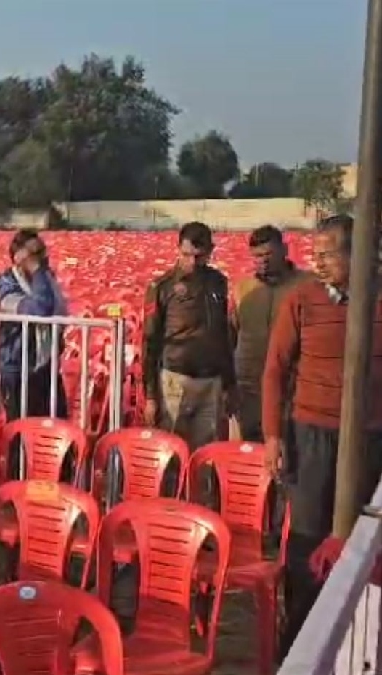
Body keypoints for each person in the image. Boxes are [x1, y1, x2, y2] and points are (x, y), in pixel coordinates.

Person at [262, 214, 382, 656]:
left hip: (370, 438)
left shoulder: (378, 298)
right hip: (311, 435)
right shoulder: (303, 300)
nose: (319, 260)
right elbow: (275, 371)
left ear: (358, 252)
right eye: (317, 252)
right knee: (308, 541)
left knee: (364, 541)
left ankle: (356, 643)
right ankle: (300, 646)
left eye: (329, 253)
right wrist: (274, 437)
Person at [141, 221, 237, 450]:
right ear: (178, 249)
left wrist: (229, 384)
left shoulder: (218, 282)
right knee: (172, 448)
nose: (192, 263)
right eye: (186, 255)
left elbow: (223, 335)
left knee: (207, 451)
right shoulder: (162, 287)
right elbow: (150, 342)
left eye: (199, 256)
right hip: (175, 380)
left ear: (210, 252)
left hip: (210, 381)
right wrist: (151, 396)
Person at [230, 225, 311, 442]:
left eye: (268, 254)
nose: (262, 261)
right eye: (257, 256)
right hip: (249, 387)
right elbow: (233, 334)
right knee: (251, 448)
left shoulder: (308, 286)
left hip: (292, 388)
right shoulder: (244, 289)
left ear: (284, 250)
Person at [0, 229, 69, 420]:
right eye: (35, 253)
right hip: (18, 369)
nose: (43, 258)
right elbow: (39, 310)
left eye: (43, 251)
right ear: (19, 257)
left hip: (46, 366)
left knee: (56, 424)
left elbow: (60, 311)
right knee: (21, 430)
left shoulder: (46, 278)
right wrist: (35, 268)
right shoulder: (6, 284)